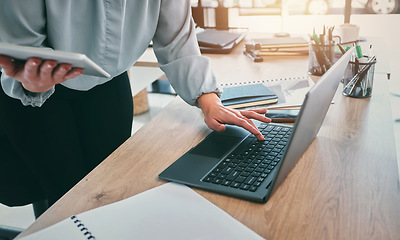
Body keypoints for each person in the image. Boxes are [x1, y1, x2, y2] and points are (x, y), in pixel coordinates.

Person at [0, 1, 270, 207]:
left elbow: (175, 36)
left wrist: (208, 100)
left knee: (107, 193)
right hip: (34, 93)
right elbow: (23, 45)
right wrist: (34, 81)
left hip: (107, 81)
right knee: (63, 201)